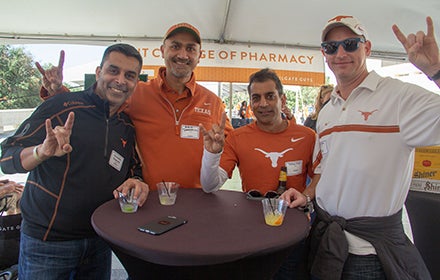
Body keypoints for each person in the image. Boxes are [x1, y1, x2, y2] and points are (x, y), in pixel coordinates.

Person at [281, 15, 440, 279]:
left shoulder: (398, 97)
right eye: (331, 47)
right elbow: (328, 167)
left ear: (366, 48)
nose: (340, 53)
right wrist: (307, 196)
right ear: (324, 54)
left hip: (369, 252)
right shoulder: (328, 111)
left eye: (350, 44)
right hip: (325, 242)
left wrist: (436, 70)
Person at [0, 43, 150, 280]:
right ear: (99, 72)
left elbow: (132, 167)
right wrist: (41, 152)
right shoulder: (59, 106)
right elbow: (7, 157)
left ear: (136, 83)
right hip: (48, 244)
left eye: (129, 75)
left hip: (100, 241)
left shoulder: (126, 126)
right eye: (114, 70)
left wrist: (136, 180)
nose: (121, 80)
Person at [38, 22, 233, 190]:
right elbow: (91, 109)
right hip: (147, 200)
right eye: (175, 46)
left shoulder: (212, 101)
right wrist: (57, 91)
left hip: (197, 202)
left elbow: (232, 143)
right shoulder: (136, 92)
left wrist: (217, 175)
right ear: (162, 51)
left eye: (190, 48)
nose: (182, 54)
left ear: (199, 56)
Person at [200, 68, 320, 280]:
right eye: (256, 98)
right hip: (253, 231)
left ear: (282, 99)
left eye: (270, 96)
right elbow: (210, 186)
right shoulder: (237, 137)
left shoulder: (307, 136)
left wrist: (307, 195)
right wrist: (212, 153)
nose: (263, 104)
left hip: (295, 232)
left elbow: (320, 175)